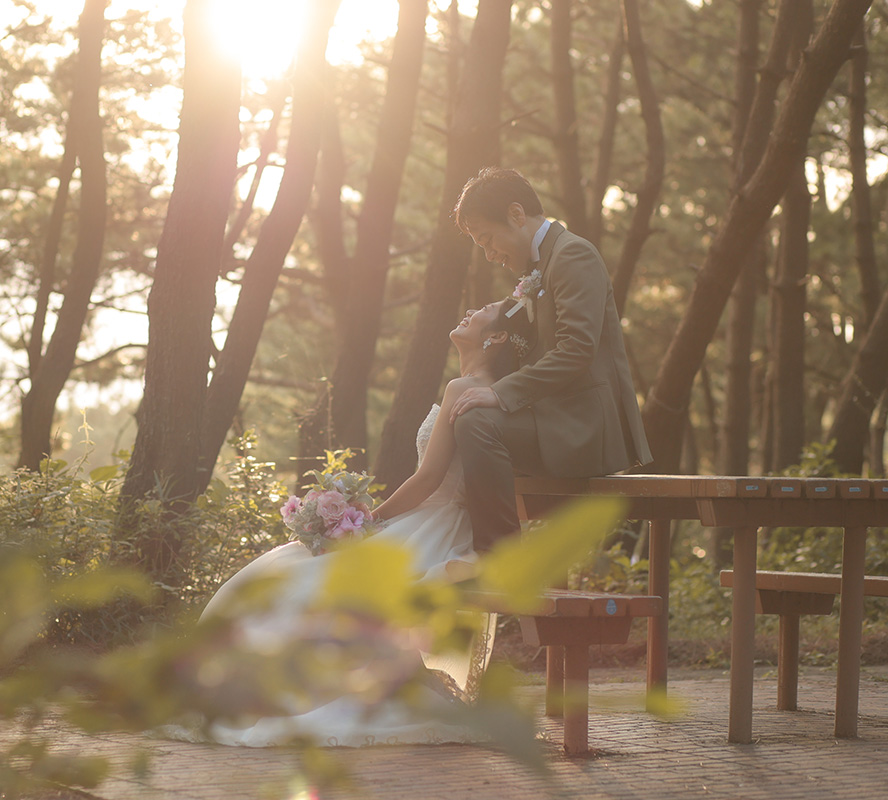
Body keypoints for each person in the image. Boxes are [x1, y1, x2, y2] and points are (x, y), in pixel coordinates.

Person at [162, 301, 536, 747]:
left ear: (494, 339)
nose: (470, 310)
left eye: (484, 311)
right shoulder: (489, 389)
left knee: (304, 577)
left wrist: (369, 520)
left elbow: (429, 478)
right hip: (436, 521)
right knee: (298, 569)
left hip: (434, 525)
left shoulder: (466, 387)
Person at [449, 167, 652, 552]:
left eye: (488, 239)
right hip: (552, 415)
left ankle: (500, 559)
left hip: (582, 424)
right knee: (465, 417)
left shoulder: (573, 254)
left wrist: (500, 394)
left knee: (477, 423)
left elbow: (577, 349)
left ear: (516, 214)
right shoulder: (539, 265)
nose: (490, 255)